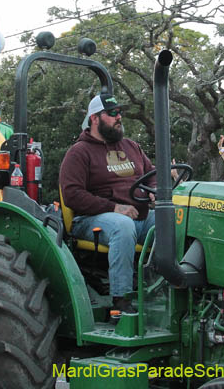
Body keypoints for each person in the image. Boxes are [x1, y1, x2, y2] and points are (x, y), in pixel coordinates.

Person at [59, 93, 156, 314]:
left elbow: (152, 174)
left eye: (119, 112)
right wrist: (113, 207)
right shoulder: (79, 152)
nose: (118, 117)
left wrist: (155, 191)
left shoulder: (132, 147)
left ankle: (162, 290)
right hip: (92, 219)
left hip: (139, 216)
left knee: (173, 223)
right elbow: (72, 194)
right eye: (112, 113)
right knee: (122, 226)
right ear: (95, 118)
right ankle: (121, 300)